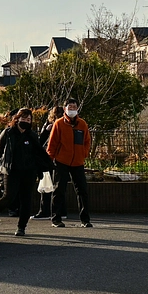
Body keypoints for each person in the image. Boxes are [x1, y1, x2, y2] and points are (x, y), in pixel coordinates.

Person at [0, 108, 53, 236]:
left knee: (26, 198)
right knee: (8, 197)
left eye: (28, 119)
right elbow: (0, 148)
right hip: (12, 170)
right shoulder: (8, 133)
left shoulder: (32, 135)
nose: (26, 121)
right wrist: (4, 162)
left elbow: (38, 151)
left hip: (29, 171)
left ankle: (21, 227)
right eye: (23, 118)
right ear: (17, 119)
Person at [47, 98, 93, 228]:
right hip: (61, 161)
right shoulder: (59, 123)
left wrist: (84, 154)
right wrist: (50, 158)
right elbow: (52, 143)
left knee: (82, 190)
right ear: (65, 109)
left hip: (78, 162)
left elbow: (87, 141)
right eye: (70, 107)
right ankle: (56, 219)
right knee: (59, 190)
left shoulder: (82, 124)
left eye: (74, 107)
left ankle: (85, 219)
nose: (72, 109)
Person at [33, 106, 62, 220]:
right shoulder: (63, 126)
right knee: (57, 186)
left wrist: (46, 131)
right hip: (57, 159)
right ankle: (58, 211)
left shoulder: (51, 126)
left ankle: (45, 211)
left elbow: (40, 142)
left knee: (47, 186)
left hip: (49, 159)